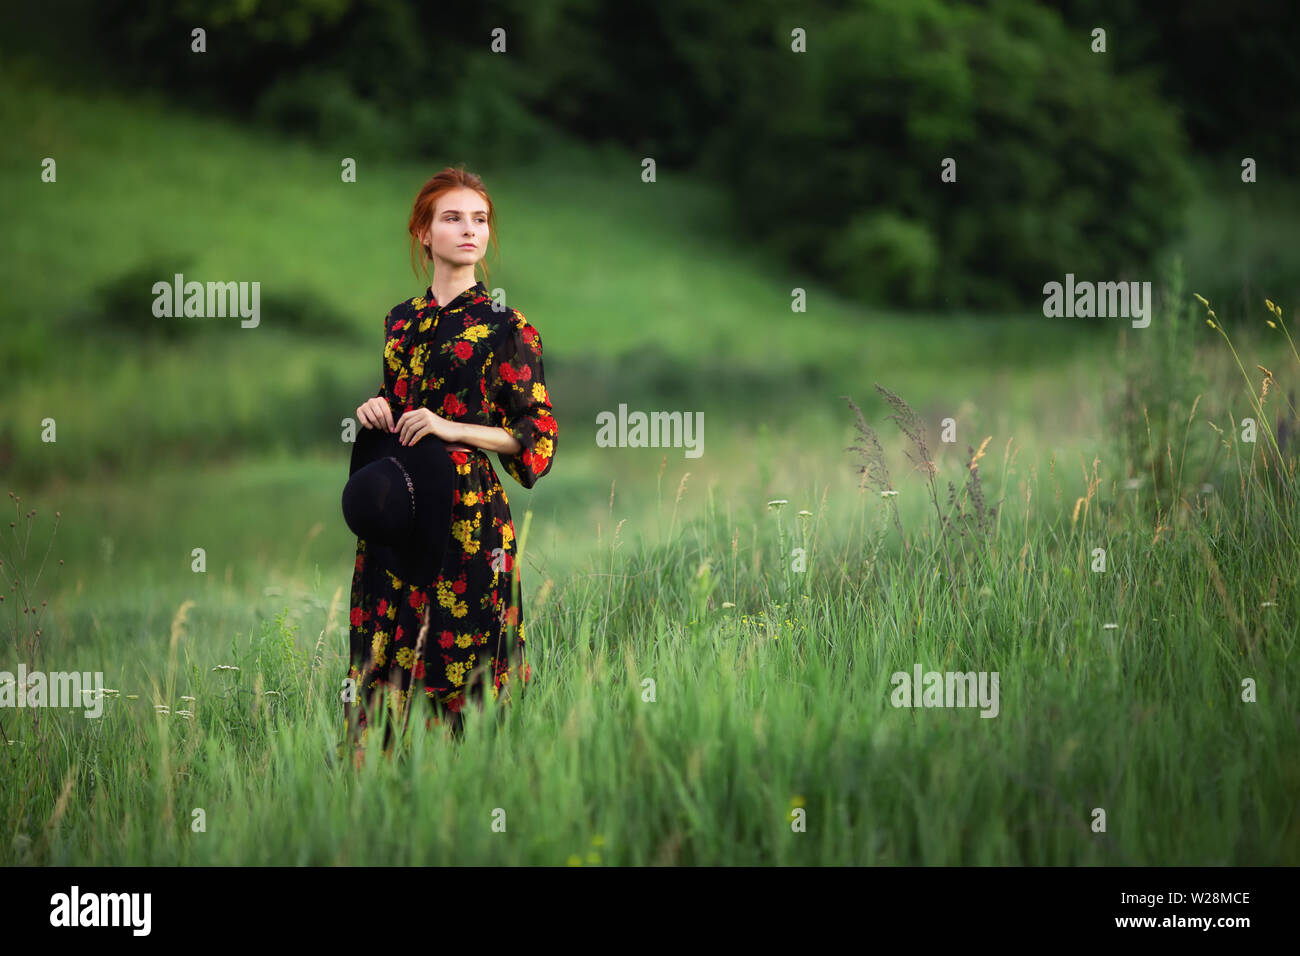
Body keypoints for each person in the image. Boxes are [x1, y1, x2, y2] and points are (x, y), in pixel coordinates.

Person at [343, 167, 557, 762]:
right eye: (453, 217)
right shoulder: (400, 322)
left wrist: (449, 427)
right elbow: (399, 413)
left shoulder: (508, 329)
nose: (470, 231)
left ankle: (473, 781)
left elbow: (535, 439)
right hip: (400, 503)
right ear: (422, 231)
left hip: (468, 515)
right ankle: (377, 785)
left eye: (480, 219)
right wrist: (376, 410)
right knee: (385, 643)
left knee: (462, 652)